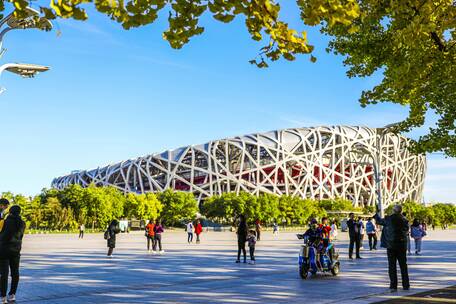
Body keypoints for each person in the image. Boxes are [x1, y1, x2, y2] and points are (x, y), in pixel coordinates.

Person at [375, 205, 410, 291]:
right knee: (403, 266)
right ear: (401, 211)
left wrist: (376, 213)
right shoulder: (405, 219)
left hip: (391, 245)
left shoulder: (389, 219)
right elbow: (406, 230)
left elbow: (379, 221)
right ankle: (406, 285)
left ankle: (393, 285)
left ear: (394, 211)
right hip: (402, 245)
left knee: (392, 266)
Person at [0, 205, 25, 303]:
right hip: (16, 251)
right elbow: (20, 237)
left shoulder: (4, 222)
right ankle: (12, 295)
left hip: (3, 251)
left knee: (4, 274)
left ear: (10, 212)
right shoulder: (22, 223)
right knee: (15, 273)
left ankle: (3, 297)